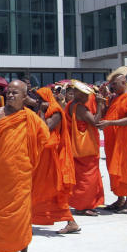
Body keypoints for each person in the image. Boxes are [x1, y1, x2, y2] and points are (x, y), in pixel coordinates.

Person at [0, 80, 48, 252]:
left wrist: (36, 107)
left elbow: (44, 137)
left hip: (23, 172)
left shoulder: (29, 117)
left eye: (15, 93)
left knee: (23, 215)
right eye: (8, 92)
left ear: (24, 96)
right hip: (2, 174)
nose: (10, 95)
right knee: (1, 213)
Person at [32, 87, 79, 234]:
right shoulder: (46, 110)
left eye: (40, 99)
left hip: (55, 158)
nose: (38, 101)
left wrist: (40, 111)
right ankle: (28, 218)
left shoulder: (56, 111)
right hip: (44, 156)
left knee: (54, 190)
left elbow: (45, 128)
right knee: (40, 189)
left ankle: (71, 221)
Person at [98, 68, 127, 215]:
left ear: (124, 82)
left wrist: (110, 124)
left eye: (115, 85)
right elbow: (108, 114)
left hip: (123, 140)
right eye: (112, 86)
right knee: (113, 169)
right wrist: (102, 101)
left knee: (123, 169)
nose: (113, 88)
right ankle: (120, 199)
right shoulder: (115, 98)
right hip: (111, 140)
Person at [65, 82, 104, 217]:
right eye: (86, 94)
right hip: (85, 150)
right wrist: (99, 104)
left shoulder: (70, 105)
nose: (89, 97)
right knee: (87, 178)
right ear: (79, 95)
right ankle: (83, 206)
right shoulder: (80, 108)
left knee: (81, 177)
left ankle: (82, 204)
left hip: (76, 147)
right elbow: (96, 122)